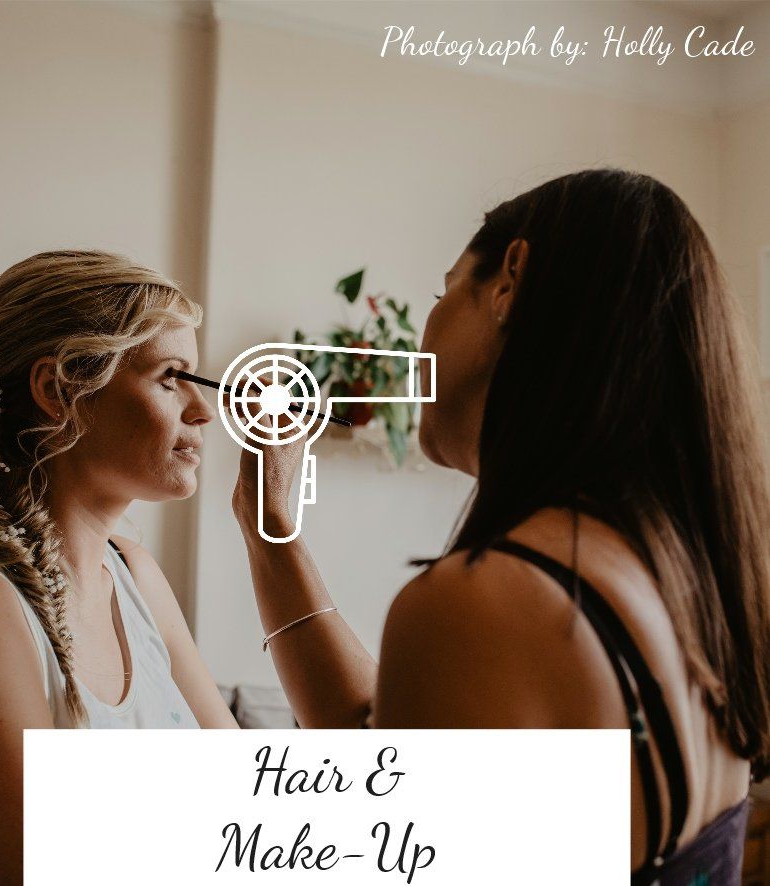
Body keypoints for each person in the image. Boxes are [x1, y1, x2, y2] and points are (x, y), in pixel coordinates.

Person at [231, 168, 770, 883]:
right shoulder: (689, 584)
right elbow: (381, 744)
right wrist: (270, 526)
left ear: (509, 282)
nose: (426, 328)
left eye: (441, 291)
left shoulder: (489, 602)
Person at [0, 250, 238, 885]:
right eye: (168, 376)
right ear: (59, 392)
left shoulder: (134, 573)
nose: (203, 409)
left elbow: (246, 798)